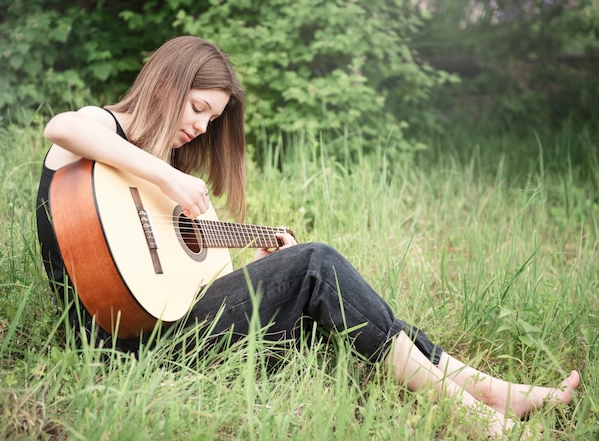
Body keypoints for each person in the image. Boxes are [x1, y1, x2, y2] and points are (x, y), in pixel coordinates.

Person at [36, 36, 579, 439]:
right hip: (128, 348)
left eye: (212, 117)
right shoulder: (98, 137)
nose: (202, 127)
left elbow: (180, 279)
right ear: (167, 85)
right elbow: (61, 126)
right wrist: (166, 174)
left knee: (334, 299)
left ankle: (480, 385)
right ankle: (476, 415)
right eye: (199, 108)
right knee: (316, 263)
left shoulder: (148, 180)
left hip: (167, 325)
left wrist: (252, 252)